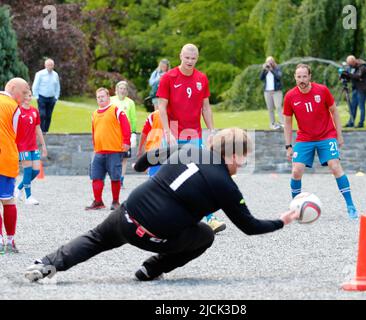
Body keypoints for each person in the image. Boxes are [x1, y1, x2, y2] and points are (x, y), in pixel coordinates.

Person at [24, 128, 301, 282]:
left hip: (127, 216)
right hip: (156, 237)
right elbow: (250, 227)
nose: (243, 163)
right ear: (232, 155)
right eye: (243, 157)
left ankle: (46, 265)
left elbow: (151, 155)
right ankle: (151, 269)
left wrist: (137, 164)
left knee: (96, 238)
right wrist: (283, 220)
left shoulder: (191, 149)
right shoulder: (226, 186)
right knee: (205, 235)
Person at [157, 43, 225, 233]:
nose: (189, 61)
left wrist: (211, 130)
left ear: (197, 59)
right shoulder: (168, 77)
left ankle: (210, 218)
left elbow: (206, 107)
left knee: (200, 176)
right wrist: (166, 132)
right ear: (180, 56)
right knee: (169, 176)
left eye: (193, 58)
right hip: (173, 132)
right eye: (186, 57)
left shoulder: (201, 78)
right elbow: (161, 107)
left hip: (194, 133)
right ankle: (164, 218)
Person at [283, 64, 358, 220]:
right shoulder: (290, 96)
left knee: (335, 166)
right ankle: (294, 208)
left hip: (326, 135)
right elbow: (288, 122)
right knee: (296, 171)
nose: (301, 80)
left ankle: (351, 206)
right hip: (304, 138)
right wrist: (288, 145)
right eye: (298, 77)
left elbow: (334, 111)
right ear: (295, 77)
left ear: (310, 76)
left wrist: (339, 134)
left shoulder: (322, 90)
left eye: (304, 76)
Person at [85, 88, 131, 211]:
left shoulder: (116, 110)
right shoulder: (94, 113)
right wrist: (95, 146)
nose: (100, 99)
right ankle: (98, 201)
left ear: (108, 97)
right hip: (99, 151)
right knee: (96, 177)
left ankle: (115, 202)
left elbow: (126, 125)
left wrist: (126, 141)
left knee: (115, 177)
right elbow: (94, 131)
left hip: (114, 150)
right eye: (98, 97)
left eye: (102, 96)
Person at [0, 78, 30, 254]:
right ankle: (10, 240)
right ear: (12, 88)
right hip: (6, 158)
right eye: (24, 92)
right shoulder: (15, 109)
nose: (25, 96)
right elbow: (16, 135)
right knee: (8, 200)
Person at [14, 90, 47, 205]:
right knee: (27, 170)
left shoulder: (34, 111)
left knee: (36, 171)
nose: (28, 98)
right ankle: (28, 197)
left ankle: (18, 188)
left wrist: (43, 145)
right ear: (22, 97)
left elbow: (38, 129)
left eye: (29, 96)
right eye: (26, 96)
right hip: (22, 146)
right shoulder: (17, 110)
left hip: (33, 146)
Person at [110, 81, 137, 189]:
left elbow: (133, 119)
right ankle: (114, 178)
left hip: (126, 134)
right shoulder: (111, 100)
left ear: (126, 91)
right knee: (113, 156)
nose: (122, 90)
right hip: (114, 133)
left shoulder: (130, 102)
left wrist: (133, 133)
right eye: (120, 88)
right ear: (117, 89)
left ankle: (121, 180)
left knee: (124, 158)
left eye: (124, 89)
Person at [342, 55, 366, 128]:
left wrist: (348, 74)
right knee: (353, 106)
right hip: (355, 89)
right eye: (348, 64)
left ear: (353, 61)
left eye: (350, 64)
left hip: (362, 89)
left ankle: (361, 123)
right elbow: (352, 77)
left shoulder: (362, 66)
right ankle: (351, 122)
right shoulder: (352, 67)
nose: (350, 65)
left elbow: (357, 76)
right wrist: (345, 76)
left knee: (361, 106)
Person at [32, 58, 61, 133]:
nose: (50, 66)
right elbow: (35, 86)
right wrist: (36, 97)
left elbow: (57, 87)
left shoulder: (55, 75)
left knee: (48, 116)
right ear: (45, 65)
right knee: (42, 115)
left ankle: (46, 131)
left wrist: (56, 97)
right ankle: (41, 131)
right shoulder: (40, 74)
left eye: (51, 65)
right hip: (42, 97)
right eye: (48, 65)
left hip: (51, 99)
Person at [135, 109, 165, 177]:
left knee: (153, 178)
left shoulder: (153, 115)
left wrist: (140, 149)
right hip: (170, 151)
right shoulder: (177, 113)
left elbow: (144, 133)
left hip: (154, 150)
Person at [259, 56, 284, 130]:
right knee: (270, 108)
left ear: (273, 62)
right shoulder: (265, 70)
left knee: (278, 107)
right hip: (267, 92)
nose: (269, 63)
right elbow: (260, 78)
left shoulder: (277, 68)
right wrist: (264, 70)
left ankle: (282, 123)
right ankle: (273, 123)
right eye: (267, 62)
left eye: (270, 61)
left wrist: (271, 70)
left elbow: (279, 77)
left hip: (276, 91)